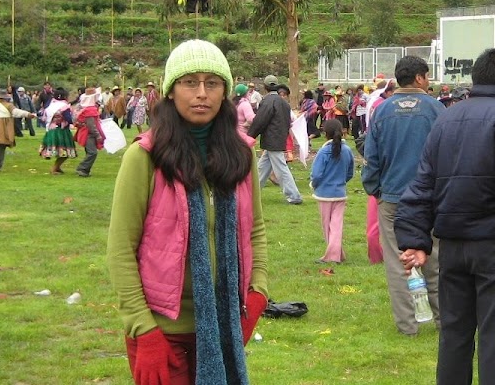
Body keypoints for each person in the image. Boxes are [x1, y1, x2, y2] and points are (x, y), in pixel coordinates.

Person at [106, 39, 268, 384]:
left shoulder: (241, 154)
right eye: (189, 82)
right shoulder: (145, 157)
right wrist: (143, 329)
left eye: (212, 83)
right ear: (170, 91)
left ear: (224, 91)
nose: (201, 93)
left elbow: (254, 229)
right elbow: (121, 249)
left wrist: (258, 293)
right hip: (162, 330)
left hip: (225, 324)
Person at [397, 48, 495, 384]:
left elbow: (422, 183)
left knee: (454, 335)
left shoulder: (446, 118)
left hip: (452, 246)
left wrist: (415, 239)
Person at [361, 55, 446, 336]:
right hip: (430, 199)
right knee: (435, 259)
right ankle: (444, 320)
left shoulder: (381, 112)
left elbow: (371, 158)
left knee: (398, 263)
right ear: (420, 78)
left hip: (393, 197)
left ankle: (407, 325)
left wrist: (375, 190)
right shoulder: (436, 109)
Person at [247, 76, 302, 205]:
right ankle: (251, 193)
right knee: (261, 168)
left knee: (281, 168)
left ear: (265, 87)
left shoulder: (267, 101)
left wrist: (250, 136)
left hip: (271, 139)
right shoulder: (283, 102)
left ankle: (294, 196)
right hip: (279, 138)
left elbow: (260, 121)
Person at [310, 119, 353, 264]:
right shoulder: (347, 150)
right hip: (340, 193)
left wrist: (314, 185)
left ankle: (333, 255)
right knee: (337, 225)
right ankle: (337, 253)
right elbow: (350, 172)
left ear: (325, 134)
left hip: (324, 194)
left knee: (327, 225)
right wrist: (341, 182)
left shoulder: (324, 151)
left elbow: (317, 174)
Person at [40, 89, 78, 175]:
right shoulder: (64, 106)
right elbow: (69, 118)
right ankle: (54, 168)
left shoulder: (50, 105)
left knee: (61, 151)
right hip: (61, 131)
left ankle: (57, 167)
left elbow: (44, 118)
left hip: (51, 130)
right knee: (64, 151)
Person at [74, 91, 105, 178]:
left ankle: (85, 170)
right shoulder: (90, 110)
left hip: (87, 133)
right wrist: (98, 135)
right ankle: (82, 168)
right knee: (92, 153)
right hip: (88, 134)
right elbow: (91, 125)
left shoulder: (86, 108)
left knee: (90, 152)